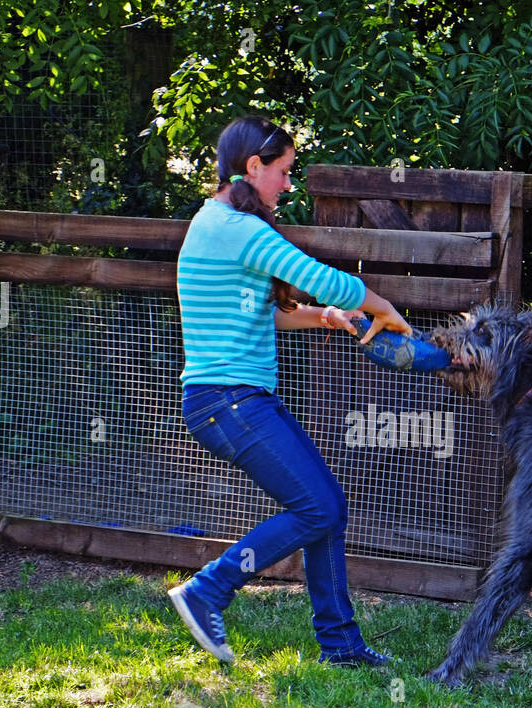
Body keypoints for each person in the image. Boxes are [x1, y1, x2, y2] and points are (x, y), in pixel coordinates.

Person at [169, 115, 414, 667]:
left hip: (236, 400)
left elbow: (262, 315)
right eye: (282, 172)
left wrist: (324, 318)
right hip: (228, 401)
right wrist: (381, 306)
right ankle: (209, 589)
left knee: (325, 507)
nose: (288, 184)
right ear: (253, 167)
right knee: (320, 507)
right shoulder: (237, 228)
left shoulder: (218, 222)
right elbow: (321, 275)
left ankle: (342, 646)